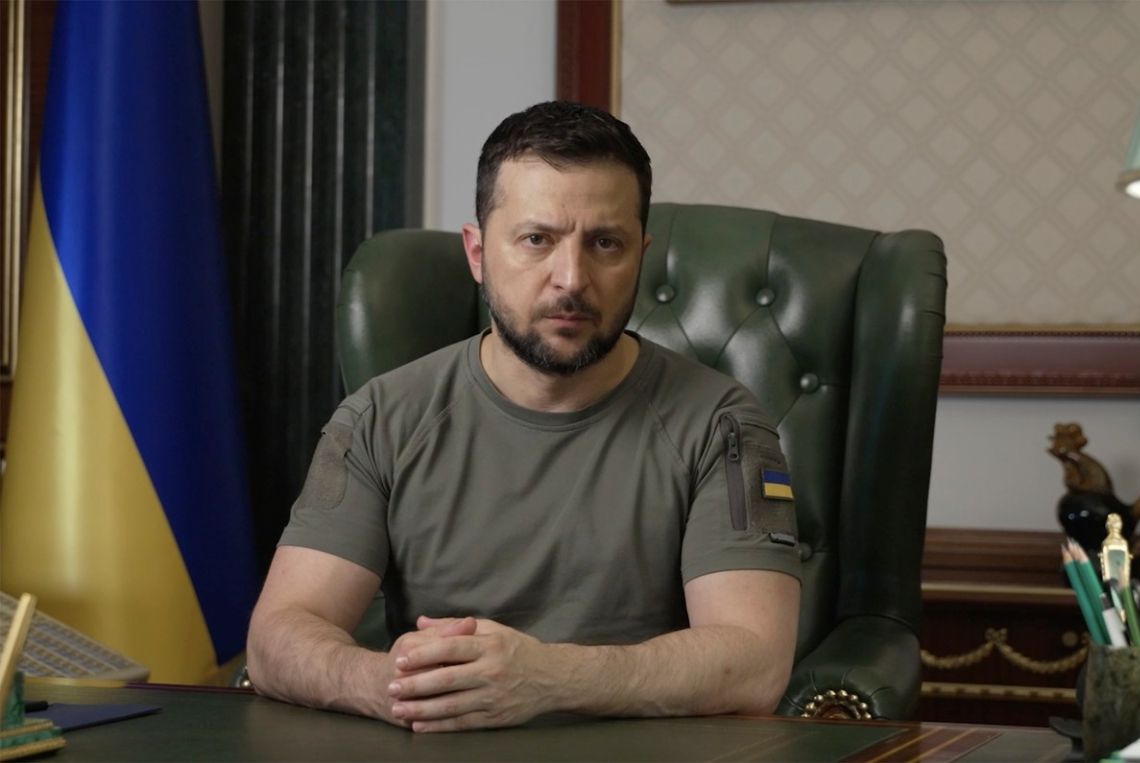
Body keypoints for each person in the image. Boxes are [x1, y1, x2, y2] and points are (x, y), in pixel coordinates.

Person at [246, 101, 804, 733]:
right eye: (537, 240)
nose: (571, 279)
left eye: (605, 244)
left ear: (641, 257)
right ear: (478, 252)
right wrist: (389, 685)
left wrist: (548, 678)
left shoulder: (723, 424)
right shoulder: (379, 418)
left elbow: (755, 664)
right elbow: (276, 639)